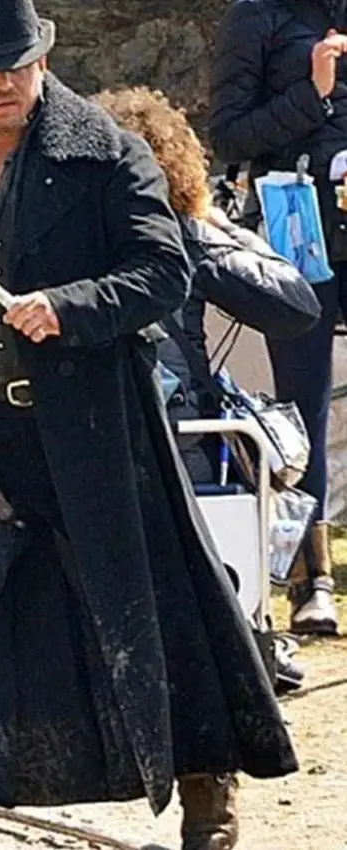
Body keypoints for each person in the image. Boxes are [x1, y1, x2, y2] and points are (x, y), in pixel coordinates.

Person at [0, 3, 298, 850]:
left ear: (42, 61)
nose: (2, 84)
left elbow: (164, 271)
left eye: (15, 66)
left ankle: (209, 797)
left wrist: (70, 306)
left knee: (157, 608)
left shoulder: (109, 157)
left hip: (96, 432)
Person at [94, 86, 321, 692]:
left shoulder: (64, 239)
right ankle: (246, 633)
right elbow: (296, 305)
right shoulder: (185, 236)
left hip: (94, 439)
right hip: (184, 448)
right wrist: (218, 225)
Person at [209, 0, 347, 636]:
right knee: (303, 400)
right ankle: (310, 577)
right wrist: (311, 93)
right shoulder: (256, 15)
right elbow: (229, 137)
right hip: (298, 226)